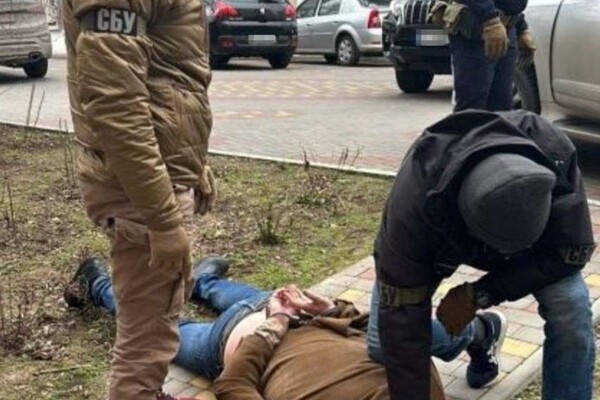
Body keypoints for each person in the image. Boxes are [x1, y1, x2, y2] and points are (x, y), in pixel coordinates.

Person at [369, 109, 596, 400]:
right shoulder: (414, 203)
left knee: (571, 308)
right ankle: (479, 334)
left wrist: (481, 293)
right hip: (444, 231)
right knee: (382, 342)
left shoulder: (555, 157)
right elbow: (402, 318)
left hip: (536, 247)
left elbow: (568, 253)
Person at [62, 0, 215, 398]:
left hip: (154, 177)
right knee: (146, 339)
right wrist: (162, 220)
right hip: (140, 190)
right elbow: (116, 104)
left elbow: (168, 73)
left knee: (156, 320)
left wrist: (192, 163)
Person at [64, 256, 449, 399]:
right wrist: (331, 307)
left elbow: (231, 385)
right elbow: (378, 331)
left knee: (153, 329)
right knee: (246, 295)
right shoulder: (422, 385)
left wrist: (275, 323)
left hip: (233, 341)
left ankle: (96, 285)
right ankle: (204, 281)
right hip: (294, 315)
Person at [431, 0, 536, 111]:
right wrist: (490, 20)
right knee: (472, 108)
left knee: (502, 107)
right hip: (477, 30)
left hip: (504, 28)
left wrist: (521, 27)